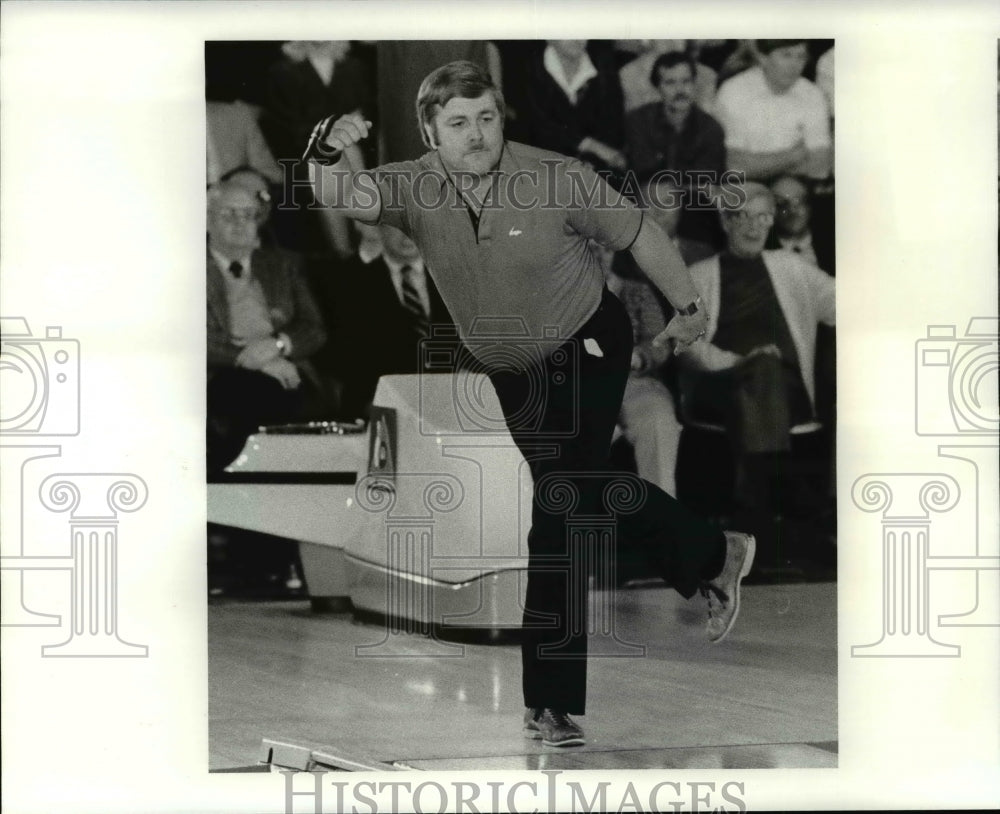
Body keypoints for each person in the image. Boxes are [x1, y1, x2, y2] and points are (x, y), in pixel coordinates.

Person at [304, 60, 755, 748]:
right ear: (430, 130)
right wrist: (326, 147)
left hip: (585, 344)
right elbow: (342, 195)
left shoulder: (558, 176)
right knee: (570, 498)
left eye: (486, 117)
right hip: (513, 374)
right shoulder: (413, 183)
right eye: (458, 123)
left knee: (558, 513)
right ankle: (712, 552)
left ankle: (549, 704)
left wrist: (687, 306)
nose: (476, 134)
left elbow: (641, 234)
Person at [678, 182, 835, 545]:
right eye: (741, 216)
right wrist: (741, 360)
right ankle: (767, 512)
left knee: (767, 376)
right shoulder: (699, 275)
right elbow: (687, 343)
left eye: (762, 216)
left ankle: (752, 514)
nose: (753, 227)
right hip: (720, 383)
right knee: (761, 371)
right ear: (725, 220)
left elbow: (844, 302)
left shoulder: (791, 267)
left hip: (786, 388)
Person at [206, 180, 330, 472]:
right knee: (252, 393)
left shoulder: (283, 265)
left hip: (287, 368)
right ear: (207, 219)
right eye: (228, 214)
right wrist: (253, 359)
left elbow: (314, 328)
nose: (239, 223)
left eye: (248, 214)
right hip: (223, 372)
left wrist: (275, 346)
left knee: (274, 397)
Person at [713, 40, 832, 182]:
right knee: (760, 203)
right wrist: (793, 156)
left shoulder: (812, 94)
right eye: (786, 55)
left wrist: (760, 164)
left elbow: (820, 167)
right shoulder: (734, 91)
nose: (795, 65)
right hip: (741, 184)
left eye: (801, 57)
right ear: (763, 58)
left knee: (791, 193)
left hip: (793, 182)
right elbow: (734, 166)